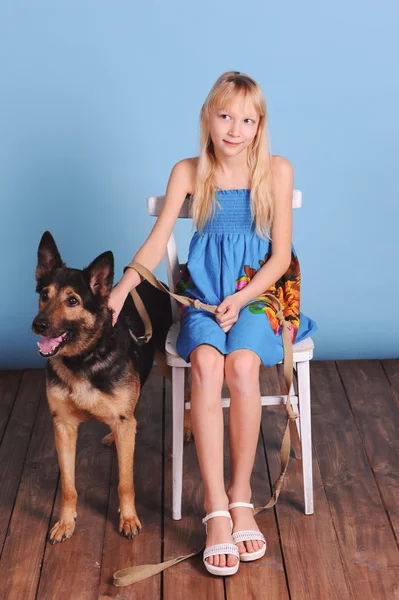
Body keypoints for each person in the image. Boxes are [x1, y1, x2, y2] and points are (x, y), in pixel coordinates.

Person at [109, 71, 317, 577]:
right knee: (205, 362)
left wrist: (242, 297)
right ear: (209, 116)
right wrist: (119, 290)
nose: (235, 129)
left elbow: (280, 257)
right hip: (202, 300)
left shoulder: (276, 170)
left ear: (259, 124)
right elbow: (159, 243)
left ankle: (242, 495)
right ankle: (216, 507)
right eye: (226, 116)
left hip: (257, 295)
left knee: (243, 366)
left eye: (247, 119)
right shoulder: (188, 170)